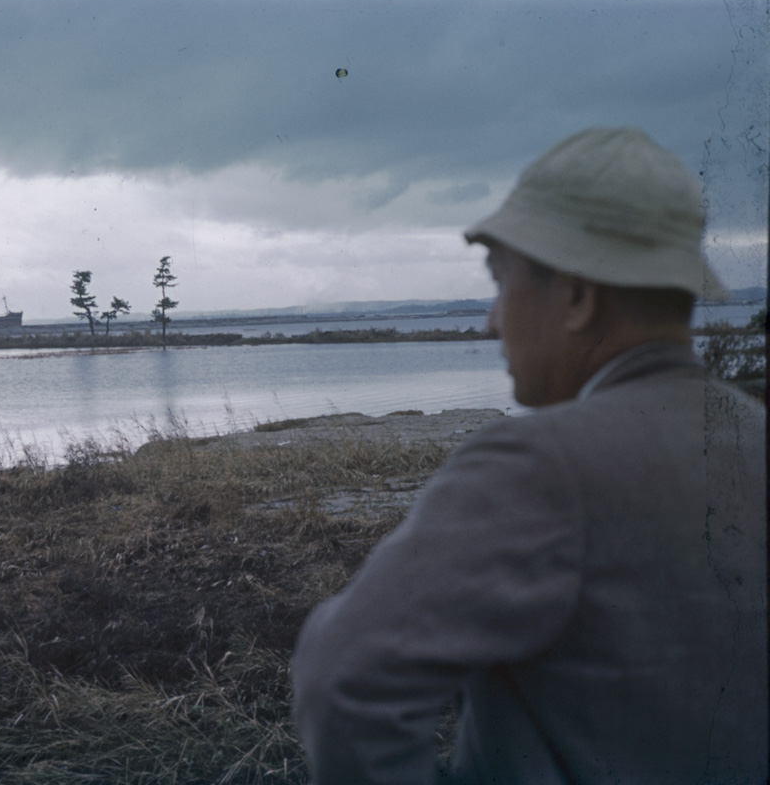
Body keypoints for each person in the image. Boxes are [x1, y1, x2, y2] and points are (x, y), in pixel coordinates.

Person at [291, 127, 767, 784]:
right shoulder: (753, 432)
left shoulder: (542, 463)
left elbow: (343, 679)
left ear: (576, 296)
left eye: (499, 282)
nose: (490, 320)